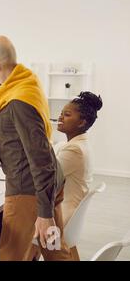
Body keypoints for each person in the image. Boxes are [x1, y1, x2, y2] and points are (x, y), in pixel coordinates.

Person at [0, 35, 75, 260]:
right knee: (54, 250)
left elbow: (39, 158)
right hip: (49, 184)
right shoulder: (24, 81)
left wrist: (44, 213)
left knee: (12, 254)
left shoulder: (17, 102)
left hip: (28, 191)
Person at [54, 91, 103, 260]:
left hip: (63, 216)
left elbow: (47, 179)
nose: (60, 117)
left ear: (82, 122)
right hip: (73, 214)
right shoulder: (77, 144)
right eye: (61, 113)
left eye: (67, 115)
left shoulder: (74, 150)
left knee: (3, 220)